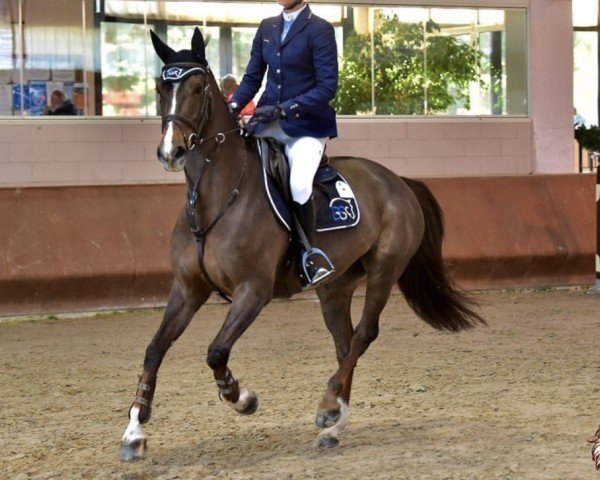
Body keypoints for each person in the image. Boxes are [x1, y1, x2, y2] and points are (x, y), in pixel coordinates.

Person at [230, 0, 338, 286]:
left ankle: (309, 256)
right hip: (266, 122)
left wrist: (285, 108)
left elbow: (328, 87)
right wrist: (234, 105)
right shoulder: (267, 26)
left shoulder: (319, 29)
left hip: (307, 126)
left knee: (299, 183)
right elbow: (252, 77)